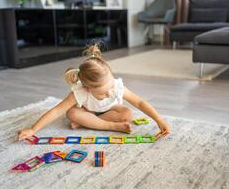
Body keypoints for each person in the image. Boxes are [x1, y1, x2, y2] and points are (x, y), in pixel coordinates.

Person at [18, 44, 170, 141]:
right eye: (104, 93)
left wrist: (159, 120)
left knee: (128, 114)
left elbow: (139, 102)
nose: (110, 93)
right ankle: (110, 126)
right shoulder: (81, 92)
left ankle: (89, 123)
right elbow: (57, 111)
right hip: (88, 112)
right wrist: (33, 129)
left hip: (108, 111)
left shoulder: (115, 87)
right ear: (88, 88)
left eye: (111, 87)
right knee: (72, 113)